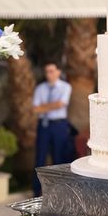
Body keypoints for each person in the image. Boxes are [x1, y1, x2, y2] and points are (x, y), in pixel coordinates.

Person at [32, 61, 73, 196]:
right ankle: (37, 192)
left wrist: (44, 106)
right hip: (44, 125)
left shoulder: (65, 87)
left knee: (59, 158)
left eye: (51, 71)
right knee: (40, 158)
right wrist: (52, 105)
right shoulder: (40, 88)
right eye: (47, 71)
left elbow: (61, 104)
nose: (49, 74)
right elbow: (36, 109)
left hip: (59, 125)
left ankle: (60, 192)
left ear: (58, 72)